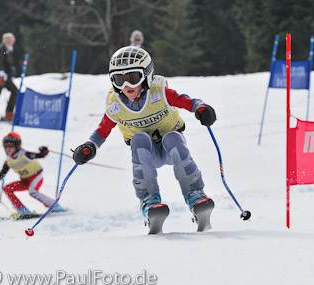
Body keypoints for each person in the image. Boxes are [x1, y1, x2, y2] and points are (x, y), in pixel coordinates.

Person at [72, 47, 217, 233]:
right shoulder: (116, 104)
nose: (126, 86)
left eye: (133, 78)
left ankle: (195, 194)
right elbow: (102, 131)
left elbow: (188, 101)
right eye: (119, 80)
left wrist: (201, 108)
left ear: (147, 75)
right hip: (146, 154)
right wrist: (89, 147)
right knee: (139, 139)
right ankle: (149, 200)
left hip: (170, 147)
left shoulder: (160, 92)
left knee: (172, 137)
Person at [0, 132, 66, 214]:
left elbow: (41, 155)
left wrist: (44, 151)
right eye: (6, 146)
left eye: (10, 146)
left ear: (17, 146)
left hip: (36, 177)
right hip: (25, 181)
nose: (8, 149)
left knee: (32, 192)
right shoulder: (8, 161)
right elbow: (0, 176)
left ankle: (55, 206)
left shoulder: (24, 154)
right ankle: (23, 210)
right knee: (7, 188)